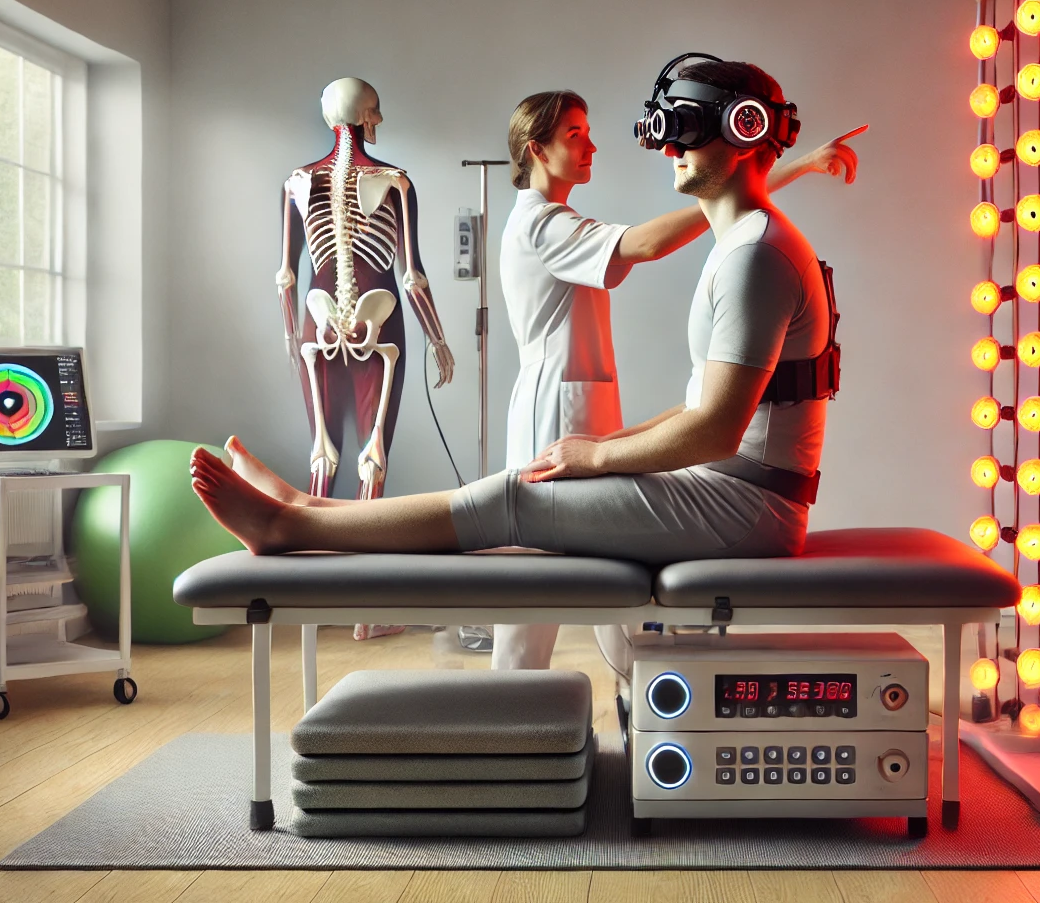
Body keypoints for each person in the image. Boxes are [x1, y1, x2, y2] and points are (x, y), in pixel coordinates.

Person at [197, 59, 838, 628]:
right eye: (666, 129)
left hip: (744, 504)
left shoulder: (754, 255)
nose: (668, 147)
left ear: (748, 129)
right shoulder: (738, 247)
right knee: (527, 534)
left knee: (515, 508)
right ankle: (304, 507)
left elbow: (715, 430)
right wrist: (605, 448)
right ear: (536, 148)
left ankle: (291, 524)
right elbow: (706, 410)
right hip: (717, 482)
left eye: (689, 130)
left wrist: (599, 457)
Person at [490, 88, 861, 669]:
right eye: (574, 135)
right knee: (538, 593)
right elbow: (648, 242)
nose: (591, 145)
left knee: (612, 583)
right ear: (536, 149)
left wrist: (766, 181)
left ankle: (639, 698)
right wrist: (787, 172)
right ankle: (506, 720)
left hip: (583, 405)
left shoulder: (557, 221)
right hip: (554, 409)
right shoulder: (540, 226)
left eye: (587, 132)